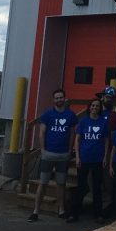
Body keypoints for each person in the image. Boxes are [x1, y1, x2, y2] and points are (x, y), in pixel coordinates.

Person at [27, 88, 77, 222]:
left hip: (63, 154)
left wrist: (70, 149)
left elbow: (72, 133)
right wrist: (42, 150)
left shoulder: (70, 115)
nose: (59, 100)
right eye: (57, 98)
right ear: (53, 100)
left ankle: (61, 210)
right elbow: (42, 132)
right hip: (49, 153)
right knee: (43, 182)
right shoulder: (48, 114)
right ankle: (35, 211)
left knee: (61, 183)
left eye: (61, 97)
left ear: (64, 98)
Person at [67, 97, 109, 223]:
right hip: (84, 158)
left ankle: (98, 214)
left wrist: (105, 156)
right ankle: (74, 213)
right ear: (89, 108)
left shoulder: (103, 122)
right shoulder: (84, 122)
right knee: (81, 186)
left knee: (97, 187)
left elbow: (106, 140)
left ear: (100, 108)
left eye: (97, 106)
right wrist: (77, 156)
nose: (94, 108)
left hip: (97, 159)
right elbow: (77, 139)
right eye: (93, 106)